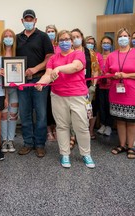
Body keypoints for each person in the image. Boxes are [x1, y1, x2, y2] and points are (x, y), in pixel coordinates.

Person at [35, 30, 96, 168]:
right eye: (62, 39)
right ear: (57, 42)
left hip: (78, 96)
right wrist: (41, 83)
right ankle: (65, 154)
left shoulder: (78, 54)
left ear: (72, 42)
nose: (65, 42)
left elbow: (75, 67)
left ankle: (86, 154)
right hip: (58, 96)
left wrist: (59, 69)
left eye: (68, 39)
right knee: (62, 127)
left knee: (81, 127)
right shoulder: (53, 59)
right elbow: (48, 74)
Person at [16, 9, 54, 157]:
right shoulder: (17, 38)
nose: (29, 21)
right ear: (22, 21)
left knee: (41, 114)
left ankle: (39, 144)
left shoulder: (43, 36)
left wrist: (35, 68)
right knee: (24, 114)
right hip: (22, 81)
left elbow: (50, 58)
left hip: (40, 80)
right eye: (26, 19)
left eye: (31, 19)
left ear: (35, 20)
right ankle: (27, 143)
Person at [106, 28, 135, 159]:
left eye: (125, 35)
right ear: (117, 39)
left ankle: (131, 146)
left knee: (131, 121)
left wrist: (126, 75)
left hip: (132, 93)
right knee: (120, 121)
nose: (123, 38)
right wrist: (112, 76)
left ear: (129, 38)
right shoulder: (112, 55)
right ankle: (122, 145)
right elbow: (106, 73)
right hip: (116, 92)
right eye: (120, 36)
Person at [71, 29, 100, 141]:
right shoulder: (69, 52)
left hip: (87, 87)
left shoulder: (90, 52)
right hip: (72, 88)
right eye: (73, 37)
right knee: (73, 112)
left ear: (82, 37)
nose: (75, 39)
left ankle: (86, 133)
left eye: (77, 36)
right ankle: (73, 136)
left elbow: (95, 69)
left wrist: (93, 86)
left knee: (87, 111)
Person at [0, 29, 18, 153]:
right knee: (4, 114)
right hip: (2, 89)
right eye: (5, 36)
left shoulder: (18, 53)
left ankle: (10, 140)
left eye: (10, 36)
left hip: (16, 89)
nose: (8, 38)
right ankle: (3, 140)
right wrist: (5, 95)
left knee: (13, 115)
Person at [97, 36, 114, 136]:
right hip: (100, 85)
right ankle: (102, 124)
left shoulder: (113, 56)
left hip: (111, 86)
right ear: (101, 44)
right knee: (101, 106)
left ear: (111, 45)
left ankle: (109, 126)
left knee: (109, 106)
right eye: (104, 42)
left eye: (108, 42)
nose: (106, 44)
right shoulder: (98, 56)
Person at [45, 24, 59, 141]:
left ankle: (56, 129)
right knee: (47, 106)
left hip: (59, 82)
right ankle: (49, 130)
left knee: (57, 107)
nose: (50, 33)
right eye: (48, 31)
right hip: (46, 81)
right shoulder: (43, 46)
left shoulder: (60, 47)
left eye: (52, 31)